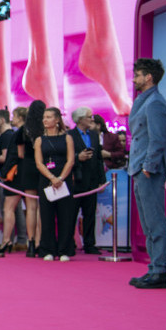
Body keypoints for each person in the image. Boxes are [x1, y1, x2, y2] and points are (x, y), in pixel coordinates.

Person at [128, 58, 166, 289]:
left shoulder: (155, 103)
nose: (134, 79)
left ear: (149, 77)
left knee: (155, 221)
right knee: (147, 223)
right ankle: (154, 268)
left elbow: (158, 139)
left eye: (137, 75)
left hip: (149, 170)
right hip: (139, 168)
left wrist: (148, 167)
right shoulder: (144, 101)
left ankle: (160, 271)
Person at [34, 107, 76, 261]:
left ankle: (65, 250)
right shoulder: (39, 140)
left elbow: (71, 160)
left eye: (49, 117)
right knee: (46, 216)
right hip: (46, 180)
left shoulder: (67, 138)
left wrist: (61, 178)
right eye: (44, 117)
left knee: (65, 215)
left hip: (64, 180)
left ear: (57, 119)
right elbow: (39, 163)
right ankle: (47, 250)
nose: (45, 120)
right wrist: (52, 178)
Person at [69, 107, 105, 254]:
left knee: (90, 214)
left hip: (92, 181)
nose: (92, 119)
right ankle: (69, 243)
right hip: (75, 181)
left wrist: (101, 180)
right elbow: (65, 157)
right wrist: (78, 157)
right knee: (71, 214)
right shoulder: (69, 135)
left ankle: (90, 244)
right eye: (89, 117)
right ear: (80, 119)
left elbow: (99, 159)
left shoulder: (95, 135)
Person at [14, 100, 46, 257]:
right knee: (41, 207)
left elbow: (20, 154)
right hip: (43, 167)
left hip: (27, 167)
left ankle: (31, 242)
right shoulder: (45, 129)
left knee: (30, 208)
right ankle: (40, 242)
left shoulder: (23, 130)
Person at [0, 109, 20, 253]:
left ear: (2, 120)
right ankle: (12, 240)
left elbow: (5, 157)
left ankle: (8, 240)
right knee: (12, 209)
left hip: (9, 176)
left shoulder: (7, 136)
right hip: (8, 176)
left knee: (9, 209)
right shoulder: (6, 135)